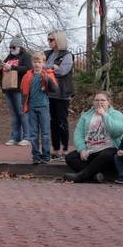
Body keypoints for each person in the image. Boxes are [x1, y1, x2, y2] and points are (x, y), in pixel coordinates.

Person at [63, 91, 123, 183]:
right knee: (70, 157)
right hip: (90, 149)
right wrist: (82, 149)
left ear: (108, 102)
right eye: (96, 100)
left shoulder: (116, 115)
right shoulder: (86, 116)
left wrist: (104, 115)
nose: (99, 102)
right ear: (93, 102)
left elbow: (117, 132)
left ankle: (81, 176)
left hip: (108, 148)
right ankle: (95, 176)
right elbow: (78, 134)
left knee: (105, 155)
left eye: (102, 100)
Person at [20, 51, 58, 164]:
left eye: (39, 62)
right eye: (35, 62)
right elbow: (23, 91)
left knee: (45, 133)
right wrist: (24, 105)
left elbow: (54, 89)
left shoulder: (47, 74)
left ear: (43, 63)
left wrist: (47, 79)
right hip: (32, 107)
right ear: (32, 62)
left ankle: (46, 155)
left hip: (44, 107)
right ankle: (36, 155)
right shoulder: (27, 76)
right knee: (33, 133)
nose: (37, 64)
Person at [45, 30, 74, 160]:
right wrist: (53, 66)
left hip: (62, 94)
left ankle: (66, 150)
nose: (49, 42)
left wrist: (49, 68)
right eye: (48, 40)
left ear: (58, 40)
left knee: (62, 122)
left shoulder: (67, 55)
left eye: (51, 40)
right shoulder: (48, 54)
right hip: (49, 93)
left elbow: (62, 71)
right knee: (53, 122)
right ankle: (55, 149)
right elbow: (39, 67)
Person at [0, 35, 32, 146]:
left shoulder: (26, 56)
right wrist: (1, 66)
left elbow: (28, 69)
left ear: (19, 47)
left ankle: (27, 137)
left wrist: (12, 68)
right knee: (14, 114)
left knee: (22, 112)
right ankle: (15, 136)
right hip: (8, 88)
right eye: (10, 47)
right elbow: (4, 67)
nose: (11, 50)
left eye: (13, 47)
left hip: (19, 88)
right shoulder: (9, 58)